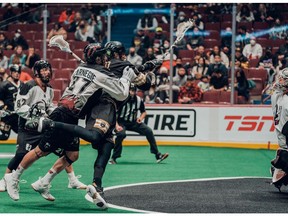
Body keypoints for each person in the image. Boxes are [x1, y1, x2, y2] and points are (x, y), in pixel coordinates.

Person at [25, 41, 160, 206]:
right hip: (104, 105)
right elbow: (143, 84)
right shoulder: (125, 66)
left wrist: (144, 68)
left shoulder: (102, 64)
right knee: (95, 138)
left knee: (107, 145)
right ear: (120, 53)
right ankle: (51, 125)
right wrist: (149, 69)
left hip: (104, 108)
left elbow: (130, 73)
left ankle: (95, 184)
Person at [4, 44, 136, 208]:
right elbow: (122, 93)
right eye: (103, 56)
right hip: (65, 114)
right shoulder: (101, 73)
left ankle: (44, 183)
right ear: (97, 58)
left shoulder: (80, 68)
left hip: (70, 113)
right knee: (40, 151)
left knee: (72, 155)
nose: (106, 59)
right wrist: (126, 78)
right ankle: (14, 178)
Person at [0, 60, 86, 192]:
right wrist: (34, 113)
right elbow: (19, 107)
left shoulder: (50, 88)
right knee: (21, 154)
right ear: (36, 72)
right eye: (43, 70)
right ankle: (5, 178)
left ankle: (72, 179)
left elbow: (48, 106)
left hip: (42, 125)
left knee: (63, 148)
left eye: (48, 69)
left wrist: (55, 112)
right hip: (27, 126)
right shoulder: (27, 86)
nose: (47, 72)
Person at [109, 84, 169, 164]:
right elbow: (114, 114)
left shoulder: (138, 100)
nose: (132, 93)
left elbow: (144, 112)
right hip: (121, 122)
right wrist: (116, 125)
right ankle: (114, 157)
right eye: (130, 90)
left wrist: (140, 118)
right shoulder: (121, 100)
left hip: (134, 122)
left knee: (148, 131)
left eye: (133, 91)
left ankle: (158, 155)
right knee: (121, 134)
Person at [270, 68, 288, 191]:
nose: (279, 81)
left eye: (282, 79)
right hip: (284, 136)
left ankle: (280, 169)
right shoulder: (278, 96)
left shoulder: (277, 95)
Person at [0, 64, 23, 141]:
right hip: (8, 116)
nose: (17, 74)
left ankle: (21, 151)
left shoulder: (23, 85)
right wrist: (2, 108)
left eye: (18, 72)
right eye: (15, 72)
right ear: (11, 73)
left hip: (18, 116)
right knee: (4, 136)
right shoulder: (4, 85)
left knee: (22, 134)